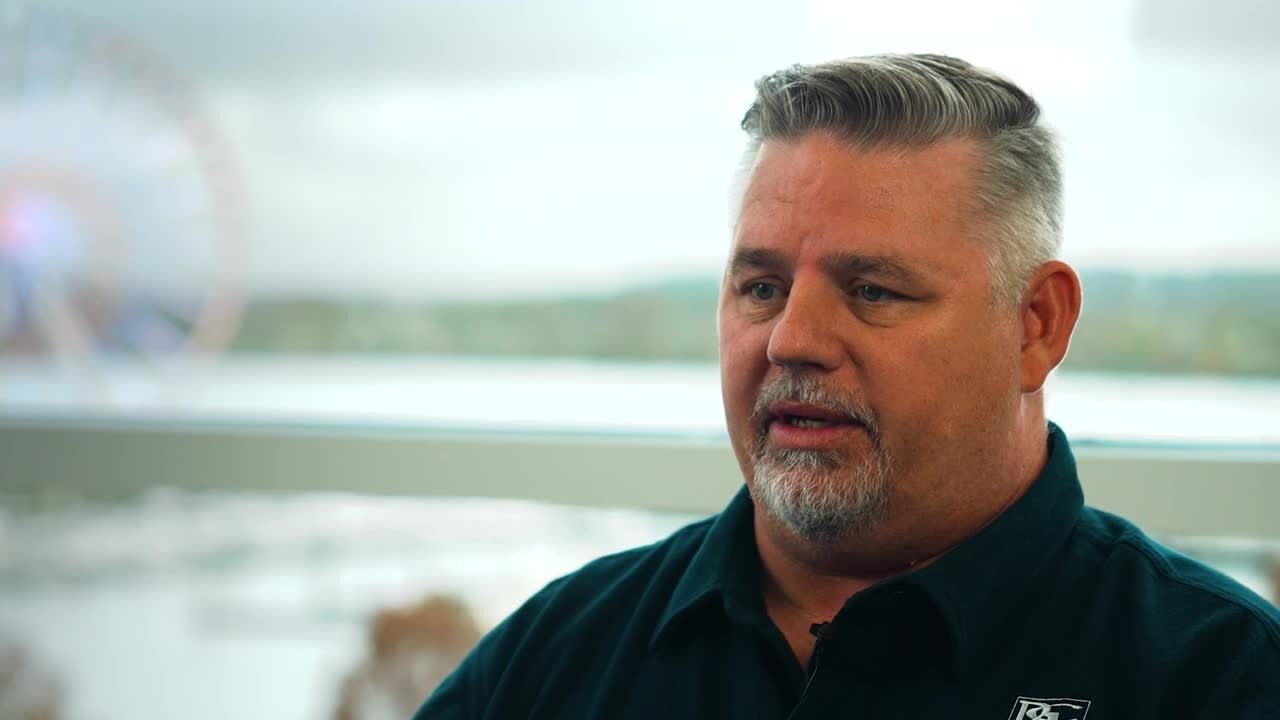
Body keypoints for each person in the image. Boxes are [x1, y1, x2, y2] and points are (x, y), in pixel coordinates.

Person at [414, 54, 1280, 719]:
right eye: (762, 288)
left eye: (872, 291)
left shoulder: (1219, 676)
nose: (792, 340)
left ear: (1036, 325)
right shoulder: (558, 652)